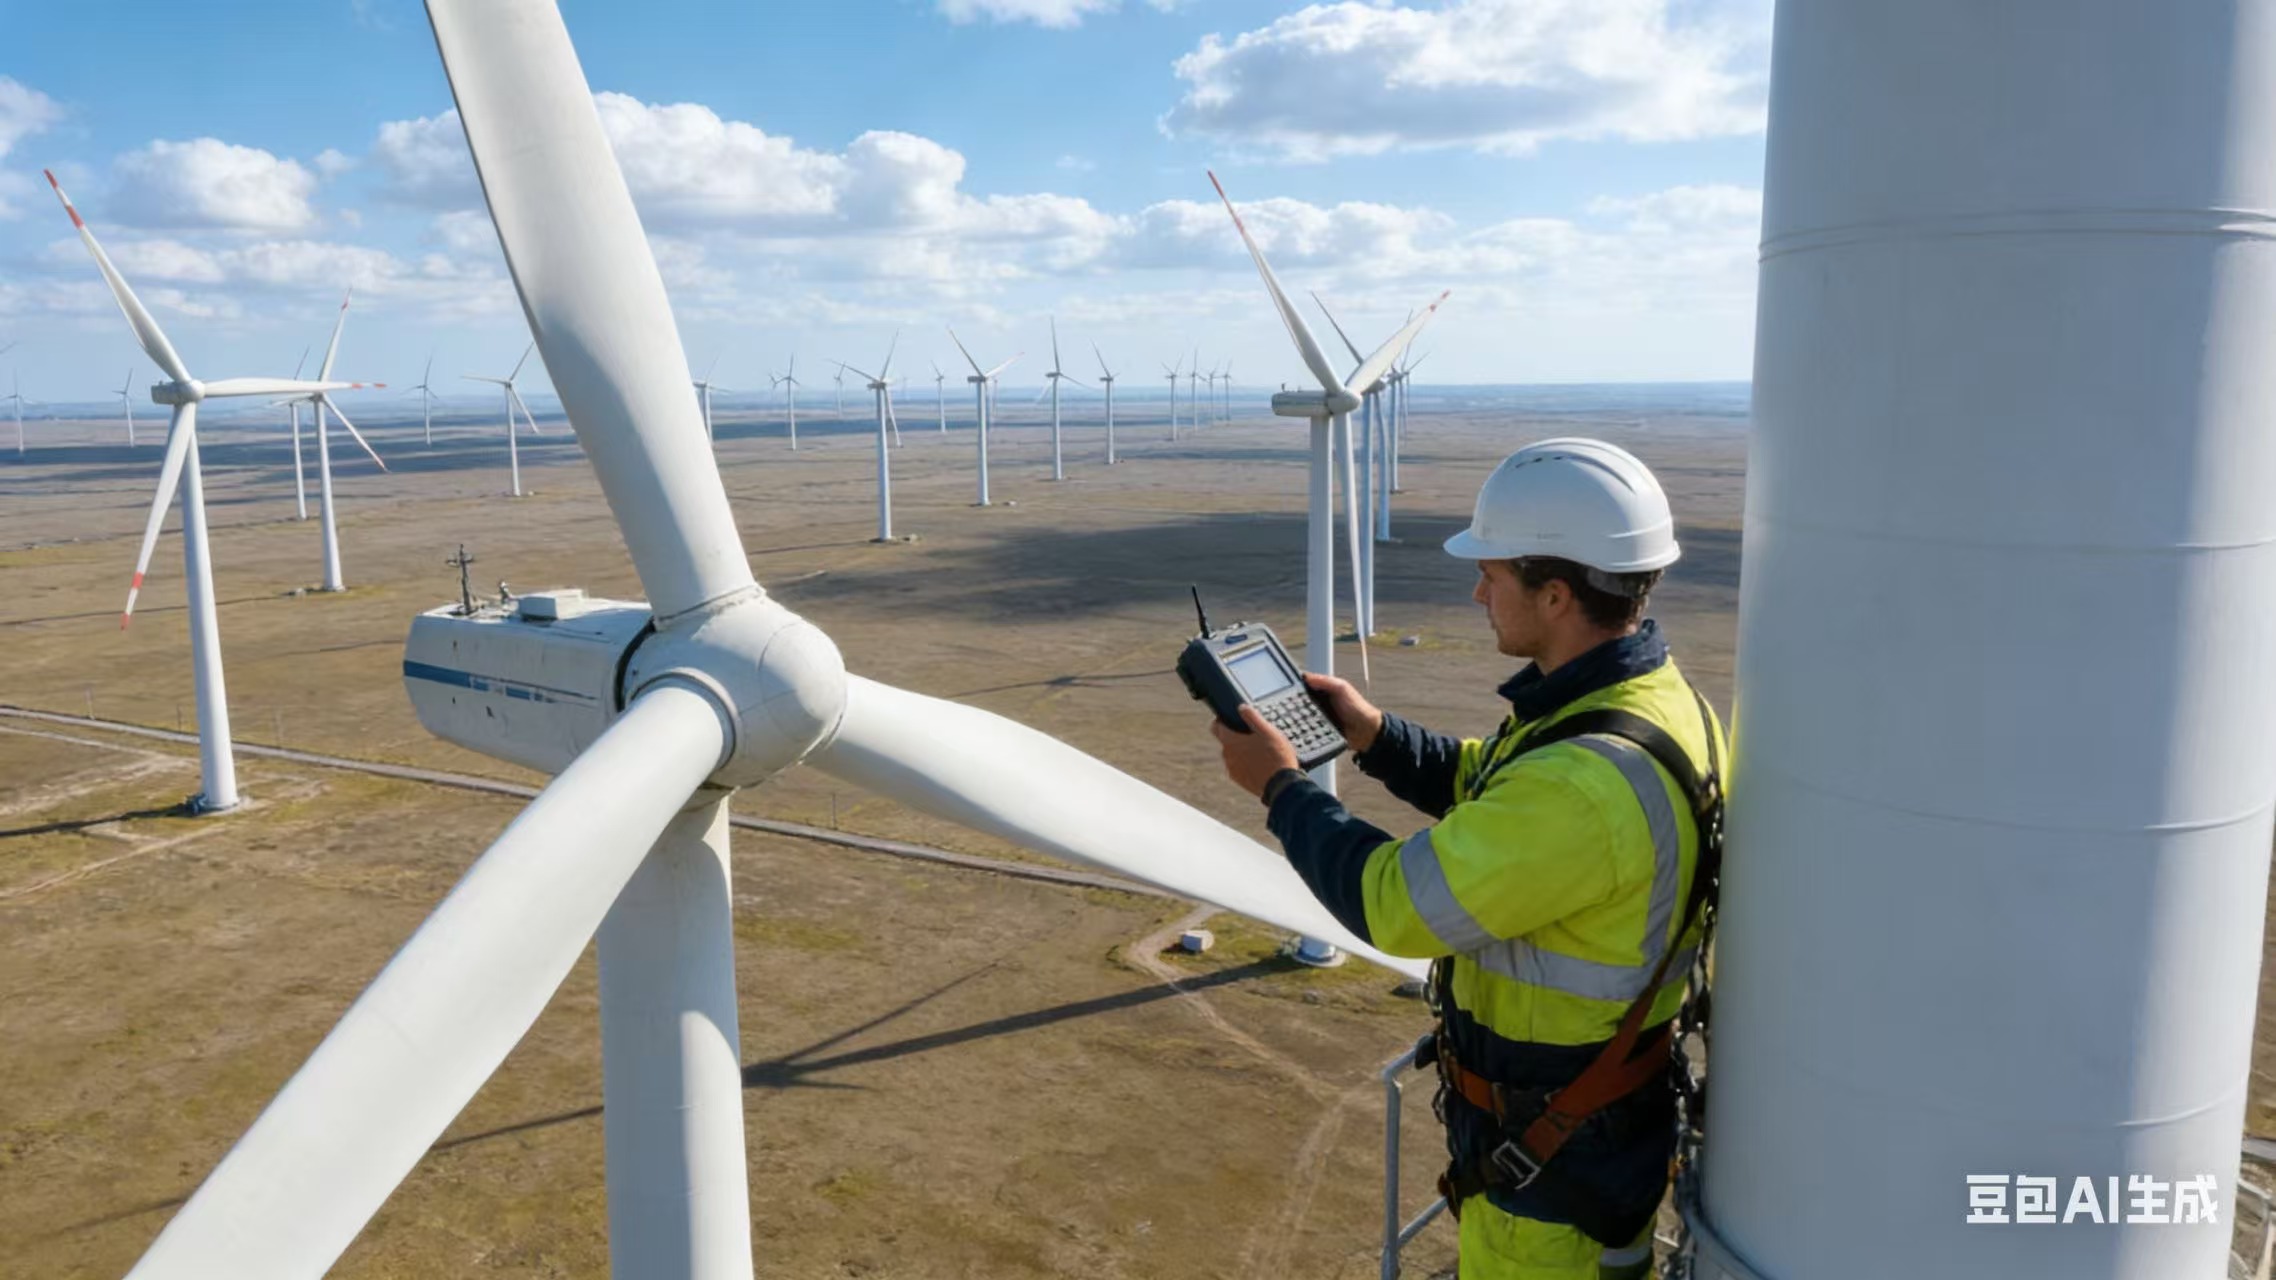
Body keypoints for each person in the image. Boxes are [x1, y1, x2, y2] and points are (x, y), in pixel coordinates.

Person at [1211, 439, 1727, 1280]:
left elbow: (1394, 903)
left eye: (1493, 575)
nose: (1478, 592)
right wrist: (1370, 734)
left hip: (1551, 1184)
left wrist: (1278, 787)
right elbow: (1488, 786)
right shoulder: (1639, 705)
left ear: (1556, 593)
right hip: (1591, 1138)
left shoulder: (1586, 783)